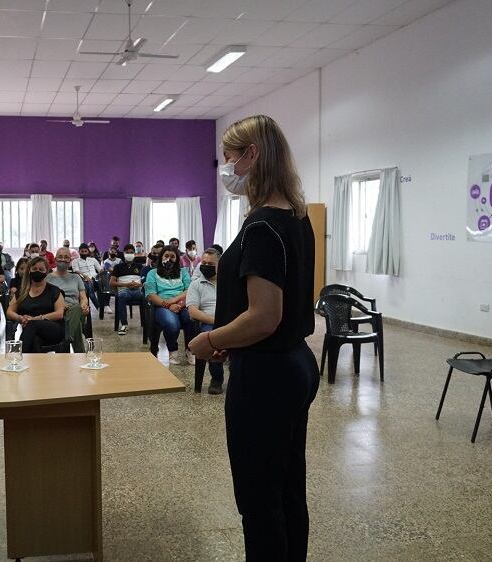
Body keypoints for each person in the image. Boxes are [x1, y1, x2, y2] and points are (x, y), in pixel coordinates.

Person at [188, 115, 318, 561]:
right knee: (286, 488)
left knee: (259, 501)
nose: (226, 168)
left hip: (266, 374)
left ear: (253, 155)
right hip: (294, 364)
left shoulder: (262, 226)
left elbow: (264, 317)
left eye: (229, 157)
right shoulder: (297, 218)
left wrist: (211, 339)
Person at [144, 245, 193, 365]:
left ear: (177, 259)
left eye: (172, 256)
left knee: (192, 317)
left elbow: (189, 290)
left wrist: (176, 302)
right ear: (161, 257)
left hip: (182, 303)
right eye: (166, 256)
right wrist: (168, 305)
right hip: (161, 305)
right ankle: (173, 350)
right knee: (172, 323)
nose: (169, 259)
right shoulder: (152, 273)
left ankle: (191, 350)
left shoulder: (183, 272)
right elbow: (151, 295)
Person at [5, 257, 66, 353]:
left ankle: (17, 356)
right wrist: (21, 318)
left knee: (31, 325)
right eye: (34, 269)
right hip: (31, 331)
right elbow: (9, 312)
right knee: (34, 340)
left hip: (53, 329)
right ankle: (36, 367)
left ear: (46, 272)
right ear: (29, 270)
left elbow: (59, 314)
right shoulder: (22, 291)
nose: (37, 271)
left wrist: (35, 318)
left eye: (41, 269)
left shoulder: (54, 290)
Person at [186, 248, 223, 394]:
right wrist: (215, 320)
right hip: (208, 322)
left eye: (211, 264)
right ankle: (217, 379)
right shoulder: (196, 284)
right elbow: (193, 311)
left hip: (231, 321)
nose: (206, 266)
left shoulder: (229, 283)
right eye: (204, 263)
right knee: (211, 339)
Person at [47, 247, 89, 353]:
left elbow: (83, 297)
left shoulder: (76, 278)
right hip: (56, 311)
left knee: (76, 308)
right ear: (55, 259)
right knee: (77, 326)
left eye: (66, 257)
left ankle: (67, 337)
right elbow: (46, 299)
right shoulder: (48, 278)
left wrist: (84, 305)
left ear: (70, 260)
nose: (63, 259)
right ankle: (80, 354)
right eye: (60, 257)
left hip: (76, 308)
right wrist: (60, 306)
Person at [111, 244, 144, 335]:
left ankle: (146, 323)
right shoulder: (118, 267)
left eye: (131, 252)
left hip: (138, 291)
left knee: (147, 296)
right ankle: (124, 324)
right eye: (127, 252)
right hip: (124, 291)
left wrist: (138, 285)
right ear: (124, 253)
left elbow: (146, 282)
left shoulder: (140, 266)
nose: (129, 254)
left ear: (134, 254)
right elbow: (112, 283)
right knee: (122, 296)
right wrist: (127, 284)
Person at [73, 244, 102, 311]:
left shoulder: (93, 260)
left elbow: (100, 269)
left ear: (88, 252)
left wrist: (102, 275)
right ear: (79, 252)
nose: (83, 253)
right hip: (84, 279)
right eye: (82, 251)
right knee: (89, 285)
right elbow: (76, 271)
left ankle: (103, 305)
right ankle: (98, 306)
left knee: (103, 285)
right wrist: (85, 276)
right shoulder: (75, 261)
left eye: (85, 251)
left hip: (95, 278)